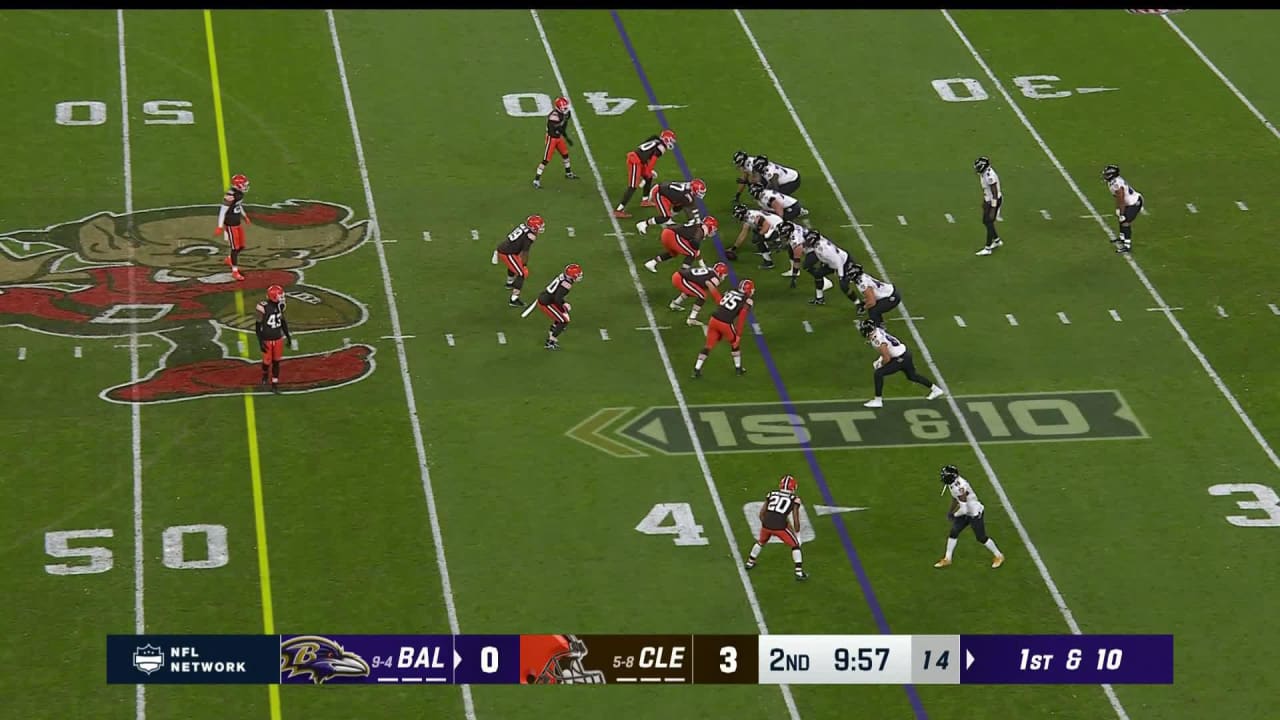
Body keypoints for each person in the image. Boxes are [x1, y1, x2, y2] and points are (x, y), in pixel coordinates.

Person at [857, 319, 944, 408]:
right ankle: (936, 389)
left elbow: (887, 357)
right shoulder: (877, 331)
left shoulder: (877, 340)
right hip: (905, 354)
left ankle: (878, 400)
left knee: (878, 373)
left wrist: (880, 364)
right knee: (912, 376)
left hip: (900, 358)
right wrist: (880, 360)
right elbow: (888, 348)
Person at [935, 464, 1005, 569]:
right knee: (954, 532)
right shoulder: (953, 484)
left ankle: (999, 556)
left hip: (974, 513)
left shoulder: (960, 486)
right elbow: (955, 498)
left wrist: (954, 515)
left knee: (981, 538)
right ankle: (947, 559)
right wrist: (950, 511)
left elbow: (964, 509)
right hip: (966, 511)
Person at [744, 474, 809, 581]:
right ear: (793, 487)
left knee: (761, 542)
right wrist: (797, 534)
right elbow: (796, 519)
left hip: (766, 524)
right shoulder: (794, 499)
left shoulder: (772, 494)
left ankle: (750, 562)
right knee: (795, 546)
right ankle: (799, 572)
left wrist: (767, 525)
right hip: (780, 527)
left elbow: (761, 514)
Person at [694, 279, 754, 378]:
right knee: (735, 343)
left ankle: (697, 369)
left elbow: (719, 300)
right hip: (725, 323)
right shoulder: (747, 301)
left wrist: (712, 288)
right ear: (748, 290)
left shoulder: (730, 292)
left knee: (708, 346)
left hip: (713, 319)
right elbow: (741, 319)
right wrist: (738, 335)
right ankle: (738, 368)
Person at [612, 130, 676, 218]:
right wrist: (648, 171)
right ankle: (618, 210)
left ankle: (645, 200)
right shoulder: (661, 147)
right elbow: (653, 160)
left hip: (641, 160)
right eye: (671, 140)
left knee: (649, 177)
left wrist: (648, 172)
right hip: (635, 161)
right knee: (633, 186)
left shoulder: (655, 138)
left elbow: (643, 148)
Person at [495, 215, 545, 307]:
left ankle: (509, 283)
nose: (541, 228)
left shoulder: (524, 226)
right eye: (540, 226)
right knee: (522, 273)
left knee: (514, 266)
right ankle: (514, 299)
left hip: (508, 249)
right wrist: (524, 264)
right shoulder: (530, 235)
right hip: (508, 253)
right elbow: (525, 251)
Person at [532, 96, 579, 188]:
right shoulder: (553, 116)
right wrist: (564, 121)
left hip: (558, 137)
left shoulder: (563, 114)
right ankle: (536, 180)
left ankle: (568, 173)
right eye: (564, 107)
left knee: (565, 154)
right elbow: (554, 129)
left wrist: (566, 137)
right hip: (551, 138)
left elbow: (562, 129)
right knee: (546, 160)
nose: (566, 109)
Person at [535, 263, 583, 350]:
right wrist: (563, 308)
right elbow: (557, 298)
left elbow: (557, 295)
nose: (579, 275)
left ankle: (553, 330)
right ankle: (550, 342)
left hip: (548, 298)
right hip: (546, 303)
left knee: (563, 315)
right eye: (578, 274)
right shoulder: (567, 284)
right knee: (564, 320)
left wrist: (563, 305)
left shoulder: (563, 277)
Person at [254, 284, 291, 393]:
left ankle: (275, 384)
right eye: (280, 295)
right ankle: (265, 373)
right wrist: (260, 341)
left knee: (276, 362)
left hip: (278, 338)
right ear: (274, 296)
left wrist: (288, 336)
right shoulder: (262, 307)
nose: (282, 297)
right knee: (267, 362)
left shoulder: (281, 306)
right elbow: (257, 326)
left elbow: (283, 321)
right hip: (267, 338)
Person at [215, 173, 251, 282]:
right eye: (244, 184)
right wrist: (220, 226)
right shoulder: (230, 194)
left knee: (241, 246)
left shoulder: (239, 194)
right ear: (238, 185)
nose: (245, 186)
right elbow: (223, 210)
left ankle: (229, 259)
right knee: (235, 248)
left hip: (237, 222)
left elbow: (238, 205)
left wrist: (244, 216)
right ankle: (235, 271)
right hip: (230, 224)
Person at [1102, 164, 1144, 254]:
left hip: (1135, 202)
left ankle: (1127, 245)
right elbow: (1118, 198)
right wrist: (1119, 210)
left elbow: (1121, 199)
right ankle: (1122, 238)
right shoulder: (1113, 182)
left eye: (1107, 174)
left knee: (1125, 221)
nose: (1105, 175)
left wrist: (1121, 212)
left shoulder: (1116, 184)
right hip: (1129, 202)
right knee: (1121, 218)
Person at [973, 156, 1003, 256]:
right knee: (986, 221)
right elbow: (987, 191)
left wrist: (993, 209)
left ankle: (988, 247)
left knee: (988, 222)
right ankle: (997, 240)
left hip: (993, 201)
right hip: (989, 200)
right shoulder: (984, 173)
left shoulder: (990, 176)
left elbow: (994, 193)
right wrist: (985, 200)